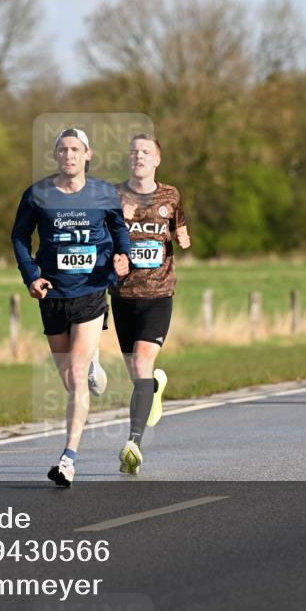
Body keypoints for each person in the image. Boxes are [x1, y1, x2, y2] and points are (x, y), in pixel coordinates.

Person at [11, 127, 131, 487]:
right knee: (70, 378)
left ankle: (68, 459)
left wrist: (122, 256)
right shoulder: (37, 195)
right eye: (63, 150)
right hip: (52, 295)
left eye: (75, 149)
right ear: (55, 156)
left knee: (76, 377)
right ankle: (91, 360)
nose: (69, 155)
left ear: (88, 154)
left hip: (91, 291)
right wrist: (31, 275)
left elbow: (119, 227)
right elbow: (19, 236)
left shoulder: (103, 193)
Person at [110, 134, 189, 474]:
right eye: (134, 152)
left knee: (142, 363)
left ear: (157, 160)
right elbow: (100, 239)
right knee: (138, 375)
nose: (138, 156)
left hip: (158, 296)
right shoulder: (113, 196)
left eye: (145, 152)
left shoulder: (170, 195)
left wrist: (183, 236)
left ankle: (134, 444)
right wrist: (113, 255)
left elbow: (178, 226)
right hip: (123, 296)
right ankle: (154, 388)